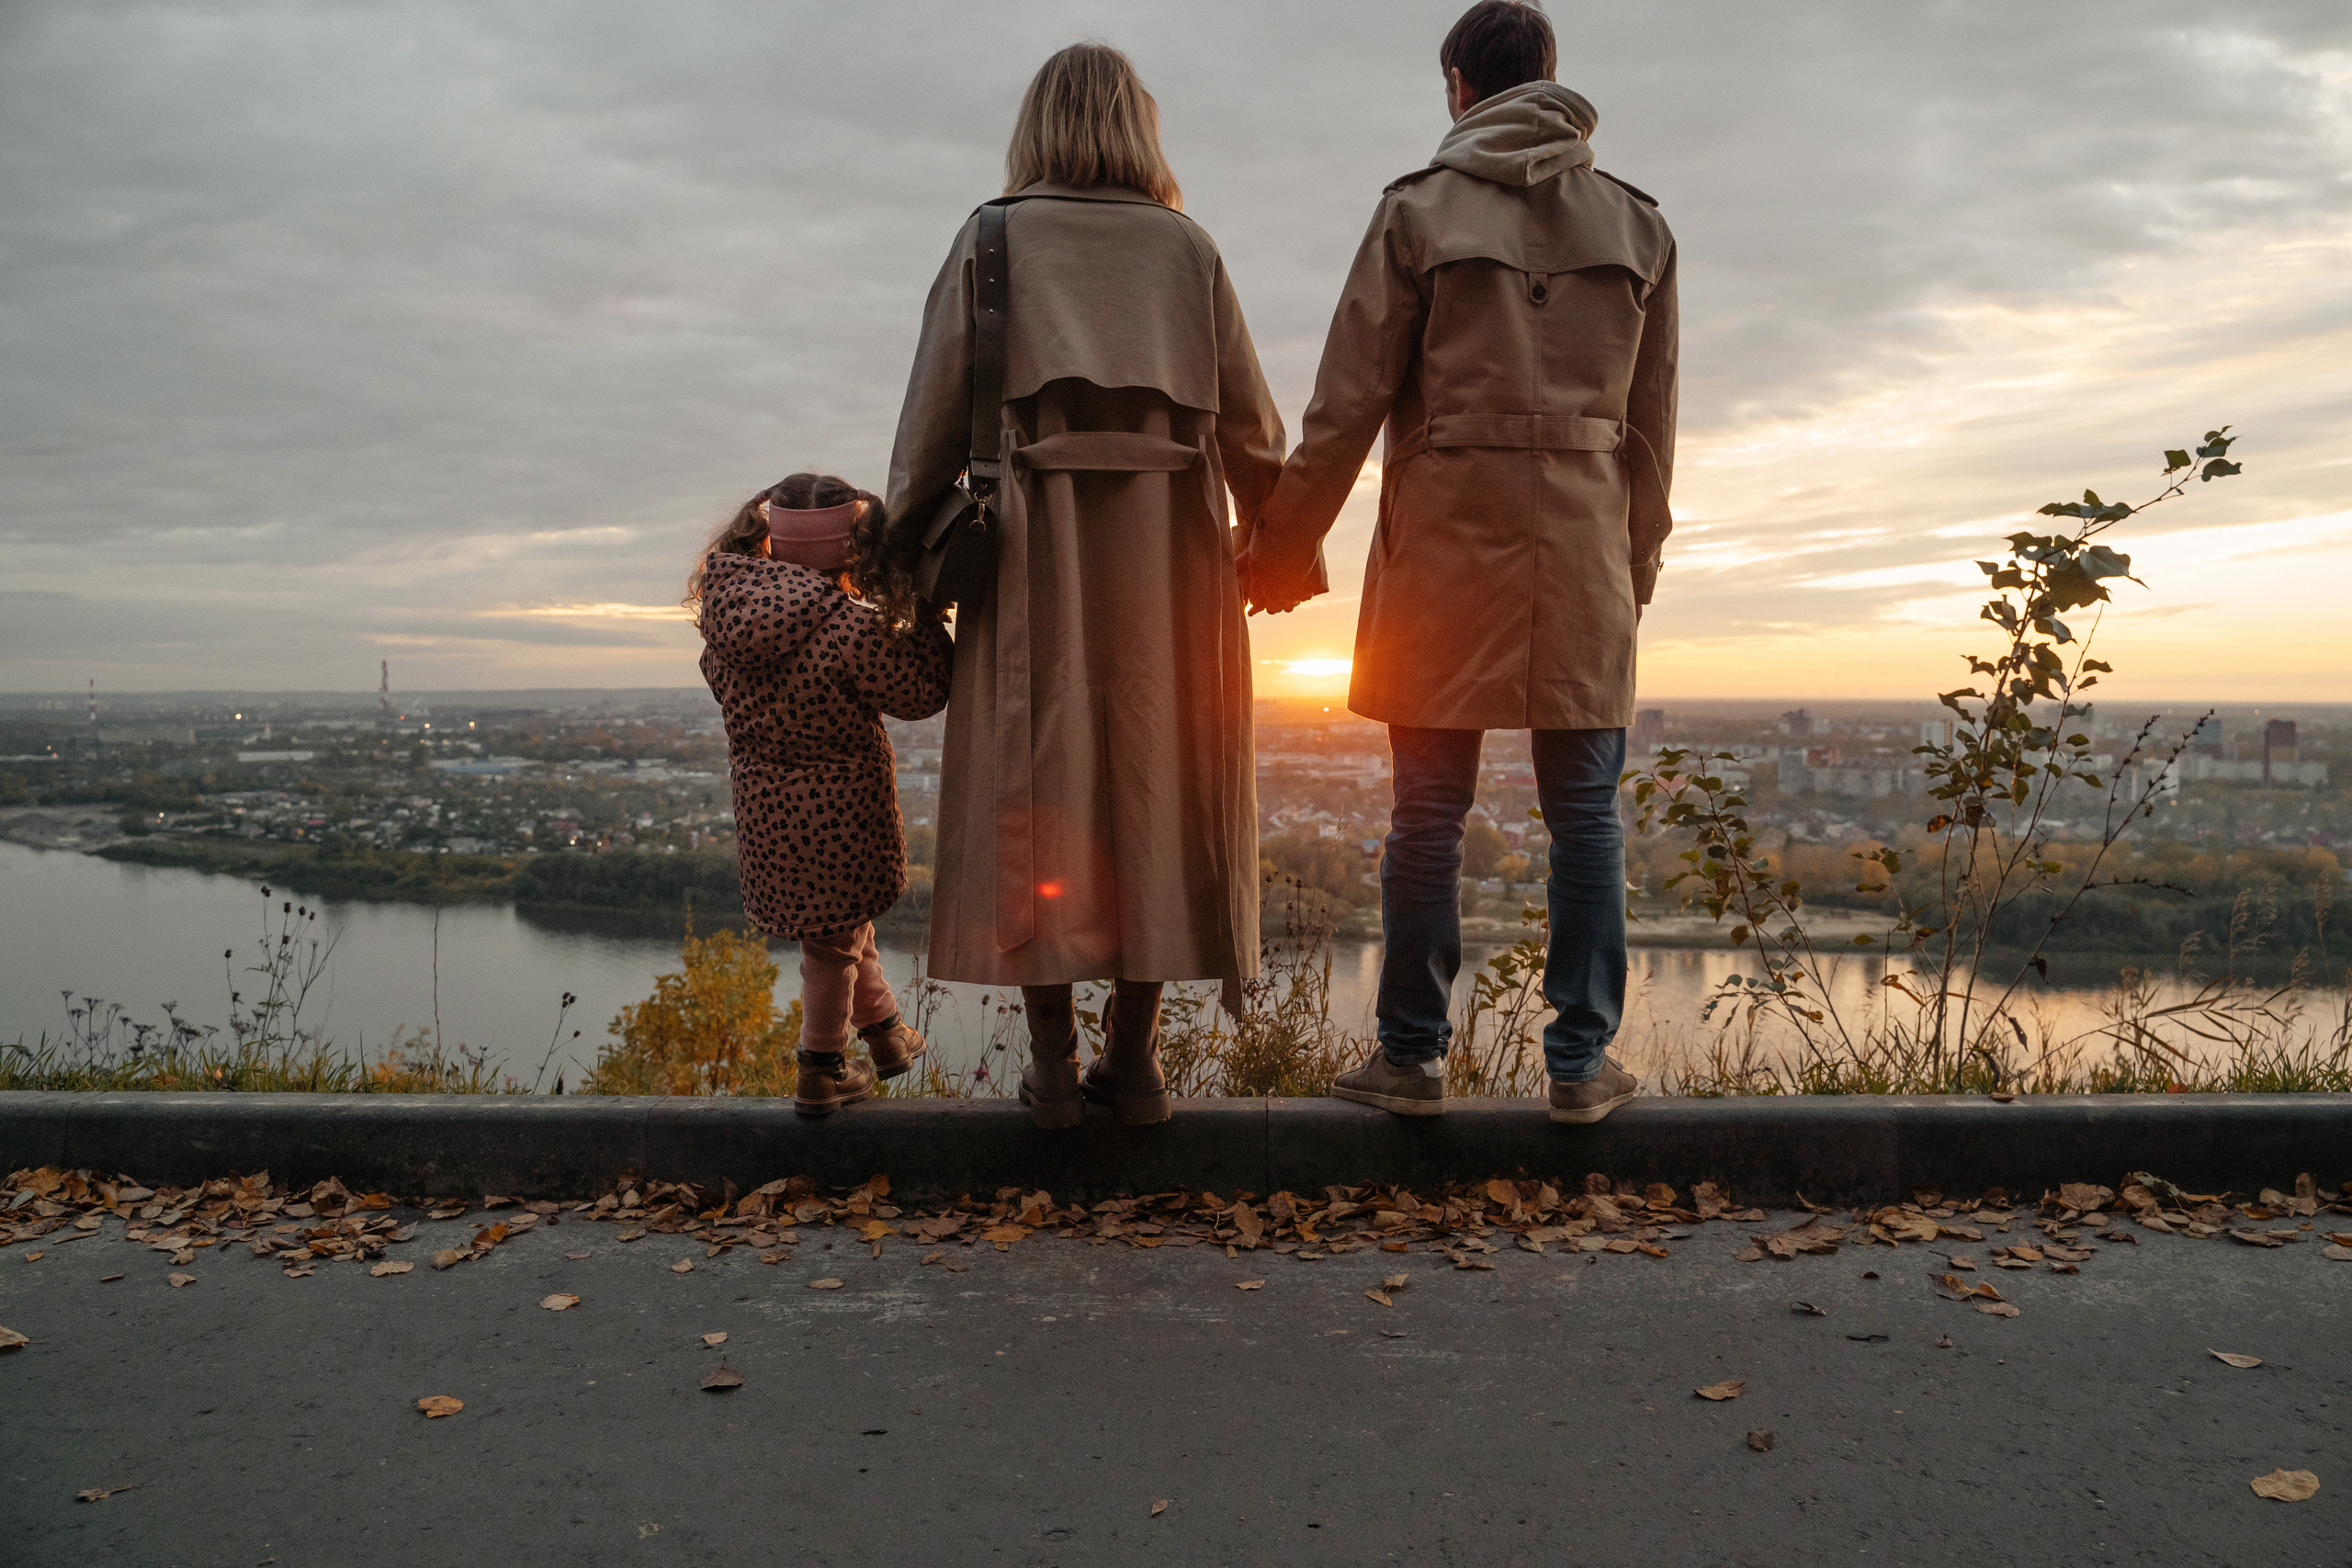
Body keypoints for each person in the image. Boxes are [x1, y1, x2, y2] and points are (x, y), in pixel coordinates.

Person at [1241, 0, 1678, 1123]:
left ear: (1457, 86)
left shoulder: (1415, 212)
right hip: (1583, 551)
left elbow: (1344, 405)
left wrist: (1278, 554)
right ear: (1548, 77)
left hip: (1440, 555)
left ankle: (1409, 1060)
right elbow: (1652, 433)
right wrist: (1633, 571)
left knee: (1426, 815)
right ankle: (1579, 1067)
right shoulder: (1638, 227)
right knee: (1586, 818)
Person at [885, 42, 1286, 1129]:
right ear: (1138, 127)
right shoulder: (1187, 250)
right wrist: (1281, 554)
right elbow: (1255, 431)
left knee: (1037, 785)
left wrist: (904, 562)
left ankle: (1055, 1068)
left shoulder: (991, 239)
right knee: (1162, 782)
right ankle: (1137, 1062)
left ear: (1036, 126)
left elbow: (930, 420)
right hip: (1174, 564)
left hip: (1029, 554)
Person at [689, 472, 954, 1115]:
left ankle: (886, 1033)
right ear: (852, 549)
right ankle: (822, 1070)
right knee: (833, 945)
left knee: (839, 926)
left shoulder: (726, 620)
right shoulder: (845, 629)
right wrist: (921, 609)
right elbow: (923, 691)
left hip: (766, 812)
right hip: (841, 812)